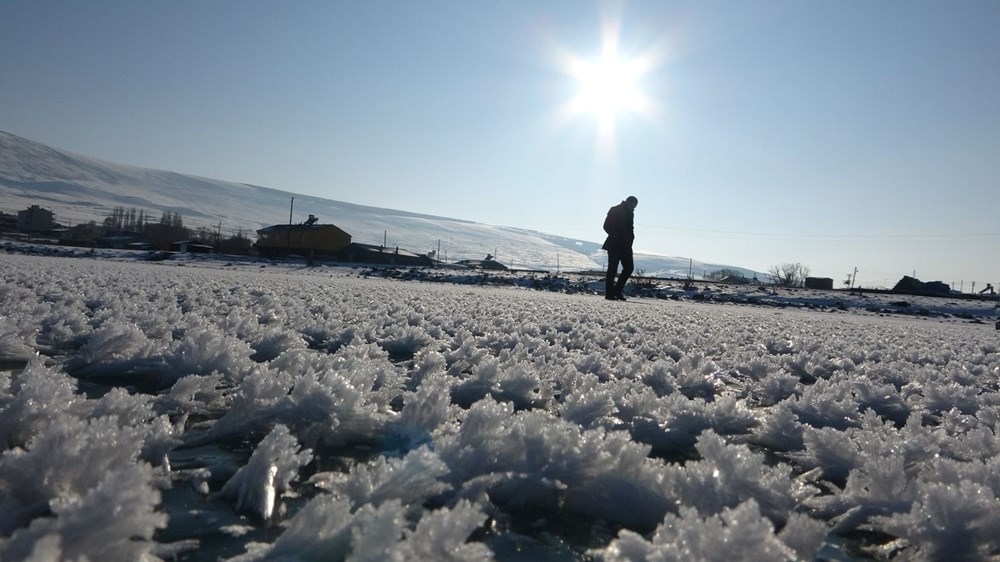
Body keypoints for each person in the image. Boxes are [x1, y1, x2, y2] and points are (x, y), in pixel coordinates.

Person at [602, 195, 638, 301]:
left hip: (626, 245)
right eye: (633, 205)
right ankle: (609, 294)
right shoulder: (615, 209)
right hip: (614, 244)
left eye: (635, 206)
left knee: (629, 267)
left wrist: (631, 239)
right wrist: (617, 236)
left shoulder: (630, 212)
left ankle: (616, 291)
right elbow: (606, 226)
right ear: (628, 202)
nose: (634, 207)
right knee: (612, 268)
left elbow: (630, 229)